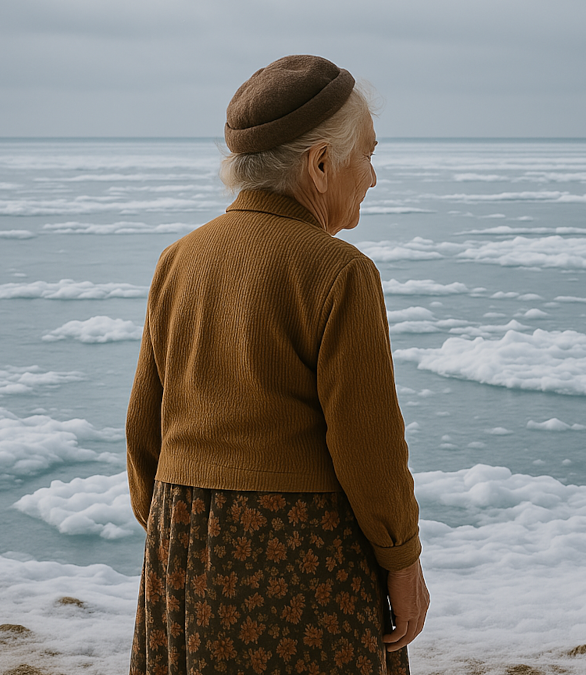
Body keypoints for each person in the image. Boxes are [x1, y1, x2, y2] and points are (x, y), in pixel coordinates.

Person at [126, 54, 429, 675]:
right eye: (367, 154)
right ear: (320, 165)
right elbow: (368, 445)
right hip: (303, 551)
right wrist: (401, 560)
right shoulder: (340, 270)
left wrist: (170, 534)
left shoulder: (178, 260)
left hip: (183, 537)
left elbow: (144, 426)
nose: (372, 176)